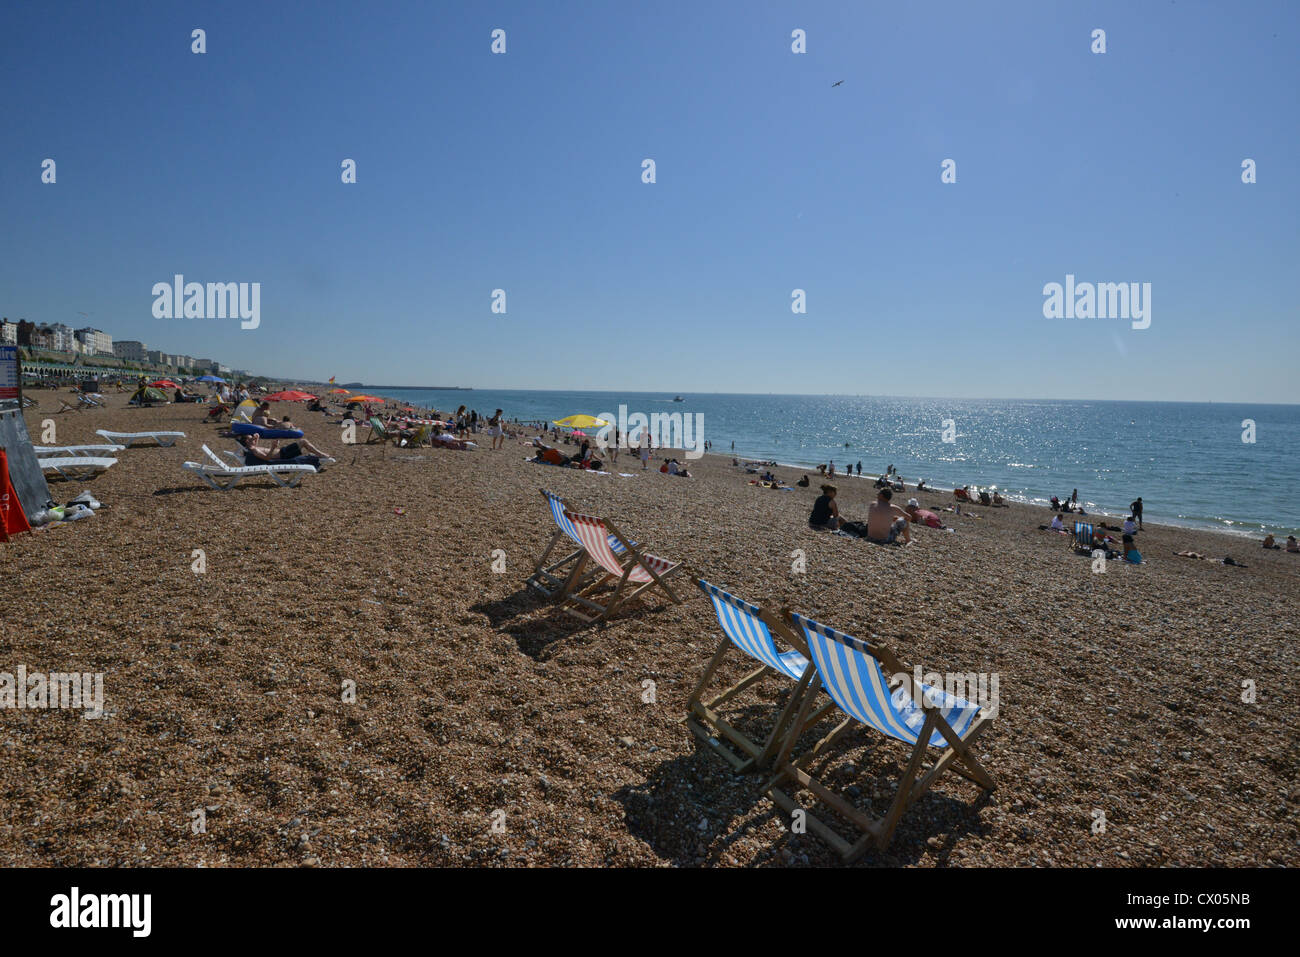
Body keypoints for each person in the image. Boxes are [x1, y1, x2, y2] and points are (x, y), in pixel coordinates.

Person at [239, 434, 323, 469]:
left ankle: (317, 454)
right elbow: (267, 458)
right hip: (283, 454)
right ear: (247, 441)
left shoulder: (252, 448)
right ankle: (321, 455)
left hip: (283, 452)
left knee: (303, 443)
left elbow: (255, 446)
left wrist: (256, 438)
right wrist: (273, 447)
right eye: (251, 438)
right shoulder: (254, 450)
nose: (253, 438)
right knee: (303, 442)